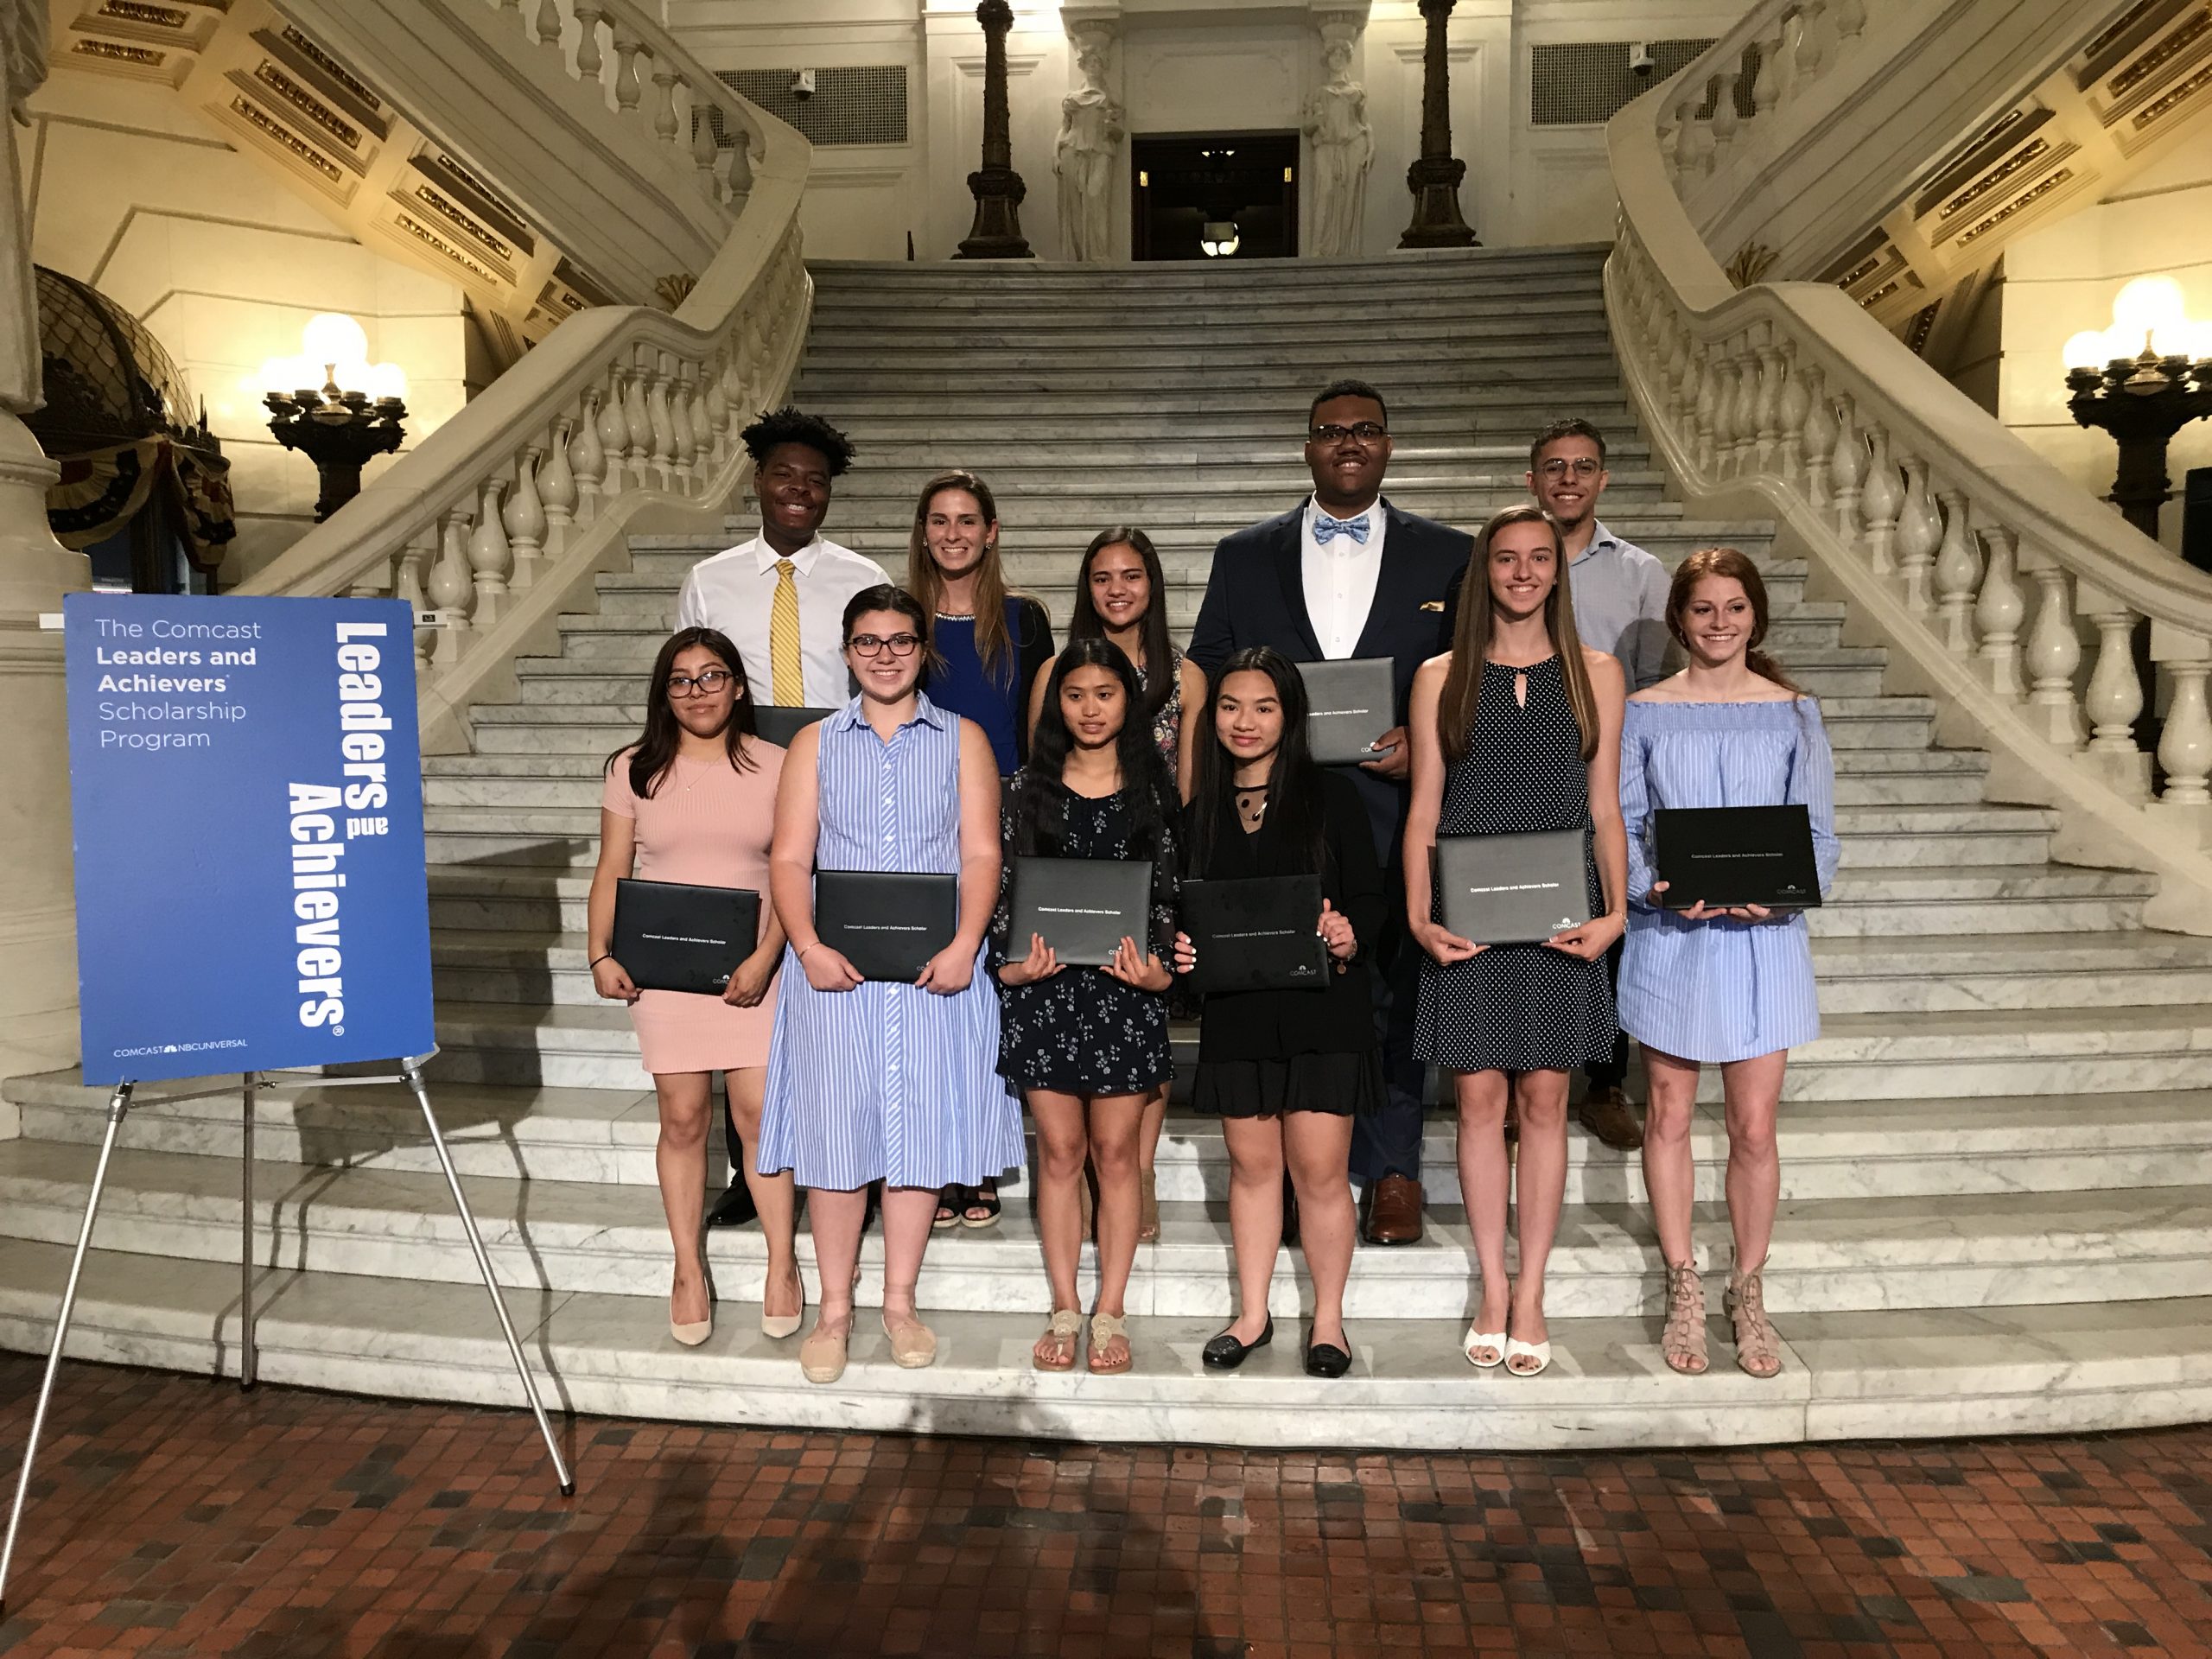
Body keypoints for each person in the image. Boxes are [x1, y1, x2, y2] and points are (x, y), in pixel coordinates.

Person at [1189, 378, 1471, 1248]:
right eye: (1329, 431)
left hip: (1393, 811)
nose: (1348, 442)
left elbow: (1471, 679)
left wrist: (1429, 745)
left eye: (1365, 431)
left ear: (1388, 446)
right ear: (1306, 447)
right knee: (1272, 978)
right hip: (1267, 813)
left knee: (1387, 988)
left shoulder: (1449, 555)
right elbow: (1205, 666)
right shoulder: (1245, 555)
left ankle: (1390, 1169)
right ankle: (1272, 1175)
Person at [757, 586, 1021, 1386]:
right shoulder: (813, 745)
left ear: (922, 650)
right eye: (868, 641)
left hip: (933, 972)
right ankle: (835, 1310)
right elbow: (788, 859)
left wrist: (966, 944)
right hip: (834, 976)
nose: (884, 654)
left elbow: (982, 855)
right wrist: (803, 946)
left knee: (916, 1139)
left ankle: (899, 1304)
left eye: (900, 640)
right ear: (846, 652)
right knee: (837, 1146)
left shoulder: (963, 739)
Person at [1405, 505, 1627, 1377]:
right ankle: (1490, 1287)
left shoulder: (1595, 674)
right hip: (1469, 921)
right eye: (1507, 559)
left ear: (1556, 572)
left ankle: (1530, 1289)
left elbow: (1605, 807)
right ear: (1484, 572)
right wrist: (1420, 916)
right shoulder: (1440, 676)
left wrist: (1613, 914)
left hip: (1563, 920)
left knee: (1545, 1104)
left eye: (1540, 559)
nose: (1524, 572)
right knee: (1476, 1106)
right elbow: (1423, 812)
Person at [1620, 547, 1838, 1380]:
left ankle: (1747, 1289)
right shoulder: (1645, 711)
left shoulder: (1794, 714)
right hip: (1674, 937)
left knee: (1753, 1127)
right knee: (1668, 1113)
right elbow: (1628, 823)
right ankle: (1683, 1282)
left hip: (1765, 943)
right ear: (1680, 619)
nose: (1719, 623)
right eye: (1704, 609)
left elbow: (1818, 835)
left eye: (1734, 608)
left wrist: (1783, 893)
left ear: (1756, 616)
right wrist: (1655, 888)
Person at [671, 405, 887, 1226]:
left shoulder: (859, 577)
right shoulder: (710, 580)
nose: (800, 490)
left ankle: (848, 1162)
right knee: (746, 974)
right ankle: (751, 1167)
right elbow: (692, 688)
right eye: (785, 475)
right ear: (758, 482)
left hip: (840, 787)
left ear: (829, 494)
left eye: (816, 480)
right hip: (743, 783)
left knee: (836, 975)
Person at [1445, 417, 1669, 1154]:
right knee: (1488, 1092)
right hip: (1497, 818)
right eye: (1555, 466)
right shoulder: (1460, 648)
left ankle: (1603, 1085)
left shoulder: (1639, 577)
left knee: (1584, 978)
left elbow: (1660, 689)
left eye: (1584, 466)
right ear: (1531, 479)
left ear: (1603, 478)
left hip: (1594, 768)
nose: (1569, 478)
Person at [586, 628, 798, 1346]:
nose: (698, 691)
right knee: (681, 1120)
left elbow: (790, 871)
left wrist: (768, 956)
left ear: (739, 686)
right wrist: (598, 954)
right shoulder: (632, 769)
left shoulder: (779, 764)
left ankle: (781, 1262)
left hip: (754, 965)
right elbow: (613, 868)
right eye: (681, 680)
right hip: (665, 974)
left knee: (759, 1111)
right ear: (664, 692)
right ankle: (686, 1269)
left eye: (713, 677)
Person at [1171, 647, 1376, 1380]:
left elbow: (1374, 903)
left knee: (1320, 1173)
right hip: (1239, 1015)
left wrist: (1352, 933)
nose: (1244, 722)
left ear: (1290, 715)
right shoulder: (1199, 815)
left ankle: (1327, 1322)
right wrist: (1184, 954)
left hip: (1324, 1014)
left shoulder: (1333, 799)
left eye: (1263, 707)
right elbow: (1184, 915)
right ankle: (1252, 1314)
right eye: (1229, 706)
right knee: (1254, 1172)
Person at [996, 639, 1179, 1376]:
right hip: (1045, 994)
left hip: (1125, 997)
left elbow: (1167, 896)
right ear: (1056, 704)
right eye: (1075, 695)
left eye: (1105, 693)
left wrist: (1160, 971)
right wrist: (1008, 967)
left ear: (1127, 702)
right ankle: (1065, 1306)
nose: (1091, 708)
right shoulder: (1022, 790)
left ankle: (1111, 1310)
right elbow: (1004, 893)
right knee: (1062, 1154)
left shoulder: (1155, 790)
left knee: (1118, 1155)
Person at [1033, 526, 1205, 1241]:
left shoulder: (1186, 675)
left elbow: (1190, 790)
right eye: (1102, 577)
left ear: (1152, 585)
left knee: (1145, 1026)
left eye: (1132, 575)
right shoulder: (1055, 671)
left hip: (1148, 844)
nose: (1117, 589)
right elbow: (1042, 781)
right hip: (1077, 857)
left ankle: (1137, 1168)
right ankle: (1105, 1178)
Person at [906, 468, 1055, 1230]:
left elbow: (1038, 730)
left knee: (993, 992)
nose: (954, 534)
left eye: (968, 520)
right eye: (940, 521)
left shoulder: (1026, 620)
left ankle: (980, 1159)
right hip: (920, 821)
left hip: (1001, 817)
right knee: (936, 994)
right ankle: (934, 1154)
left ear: (991, 532)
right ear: (924, 532)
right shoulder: (901, 620)